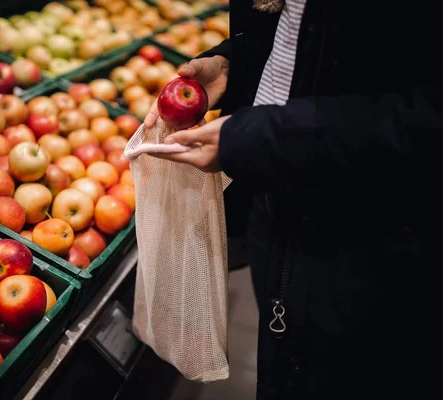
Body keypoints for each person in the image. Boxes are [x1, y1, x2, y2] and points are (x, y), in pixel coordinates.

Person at [144, 0, 443, 399]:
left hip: (379, 235)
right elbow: (308, 34)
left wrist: (268, 138)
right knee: (287, 357)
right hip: (281, 199)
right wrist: (238, 66)